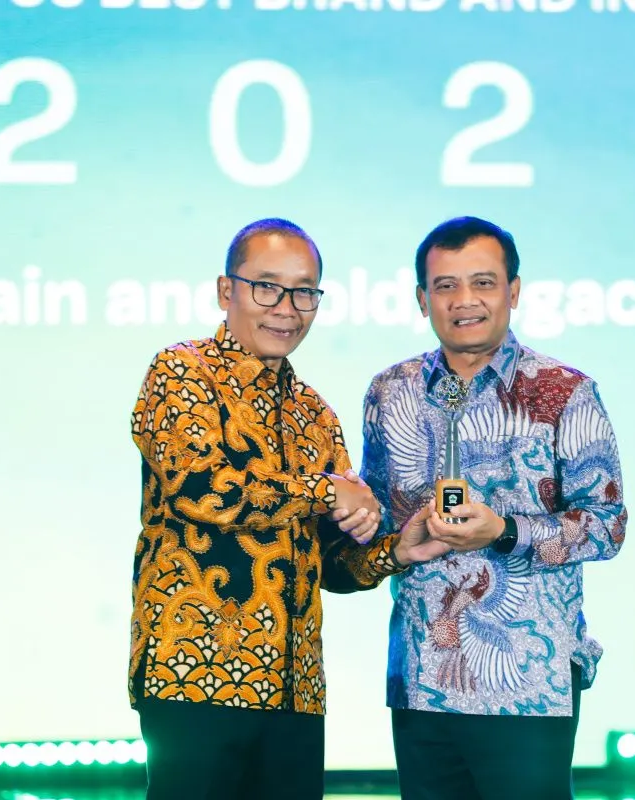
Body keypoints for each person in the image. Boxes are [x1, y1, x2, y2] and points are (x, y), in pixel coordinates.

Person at [127, 218, 446, 800]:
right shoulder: (182, 372)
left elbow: (332, 564)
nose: (286, 308)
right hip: (195, 674)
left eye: (304, 292)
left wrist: (395, 552)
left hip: (296, 689)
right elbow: (203, 490)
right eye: (267, 287)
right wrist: (326, 491)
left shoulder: (314, 413)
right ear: (226, 291)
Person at [357, 216, 629, 799]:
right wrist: (364, 523)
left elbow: (607, 527)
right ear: (422, 299)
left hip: (530, 683)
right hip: (422, 675)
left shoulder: (564, 391)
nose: (464, 301)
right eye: (446, 286)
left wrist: (505, 530)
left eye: (482, 282)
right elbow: (375, 524)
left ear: (514, 291)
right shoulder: (391, 391)